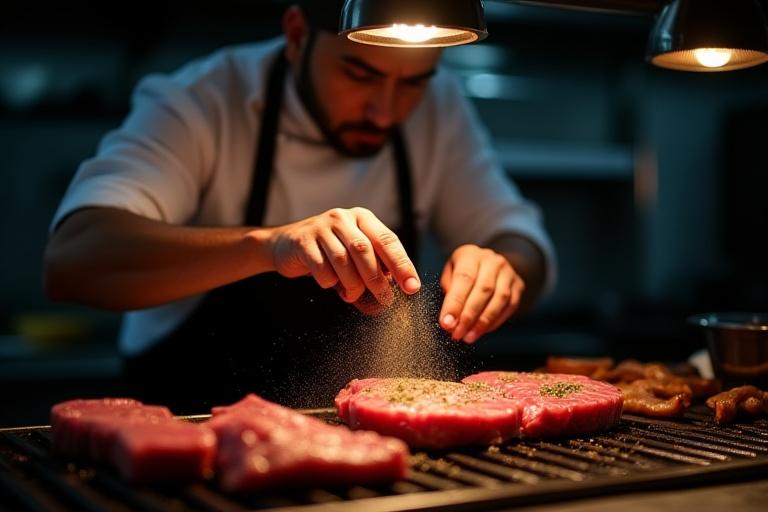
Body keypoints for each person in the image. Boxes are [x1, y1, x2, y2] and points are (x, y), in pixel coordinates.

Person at [43, 1, 556, 412]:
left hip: (365, 453)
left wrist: (504, 266)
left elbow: (520, 240)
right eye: (358, 73)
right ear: (295, 35)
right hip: (189, 442)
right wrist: (269, 245)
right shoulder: (201, 101)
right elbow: (74, 258)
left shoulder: (440, 108)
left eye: (413, 82)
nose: (385, 110)